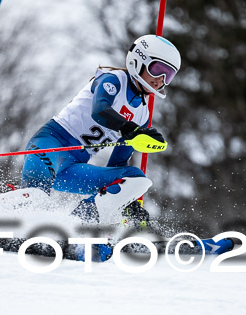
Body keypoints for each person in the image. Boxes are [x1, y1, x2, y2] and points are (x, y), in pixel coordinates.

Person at [19, 34, 181, 224]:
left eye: (168, 75)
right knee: (35, 195)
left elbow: (118, 162)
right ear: (139, 61)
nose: (160, 79)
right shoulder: (113, 80)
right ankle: (9, 219)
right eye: (158, 70)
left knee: (137, 179)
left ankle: (78, 224)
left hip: (72, 169)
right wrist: (128, 127)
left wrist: (127, 199)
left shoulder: (142, 114)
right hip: (51, 144)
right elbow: (100, 110)